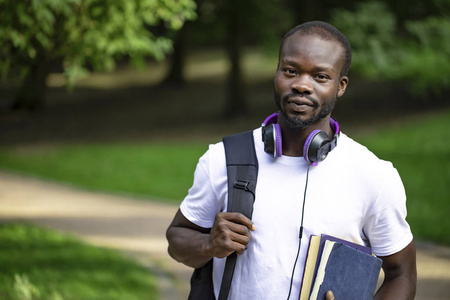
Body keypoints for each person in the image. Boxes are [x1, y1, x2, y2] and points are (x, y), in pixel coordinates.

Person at [166, 21, 417, 300]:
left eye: (320, 76)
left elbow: (402, 274)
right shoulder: (223, 158)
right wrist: (207, 244)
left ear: (340, 85)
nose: (301, 85)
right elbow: (177, 239)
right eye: (291, 71)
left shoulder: (374, 176)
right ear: (277, 74)